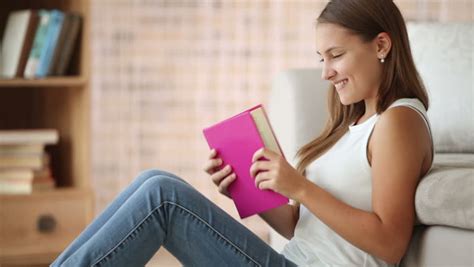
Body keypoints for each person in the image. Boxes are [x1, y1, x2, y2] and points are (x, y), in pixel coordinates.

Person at [51, 0, 433, 266]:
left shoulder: (399, 121)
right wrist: (249, 187)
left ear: (381, 44)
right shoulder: (354, 124)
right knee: (155, 180)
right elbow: (301, 227)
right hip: (290, 258)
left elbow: (391, 243)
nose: (325, 72)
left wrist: (300, 187)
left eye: (336, 55)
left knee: (161, 197)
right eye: (322, 58)